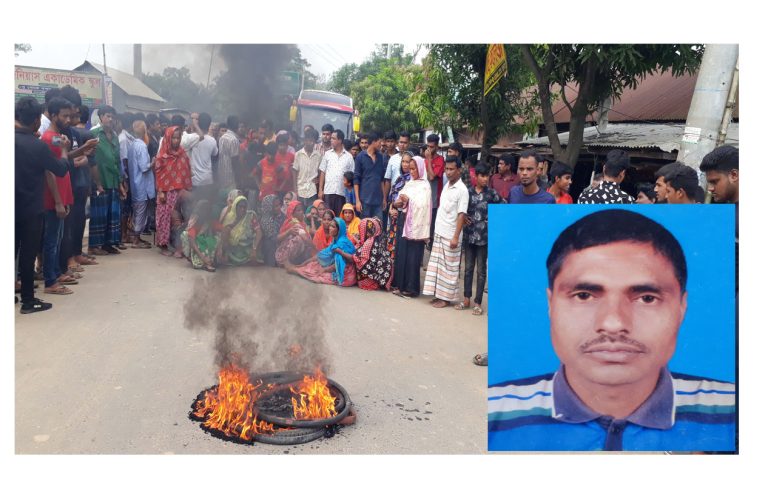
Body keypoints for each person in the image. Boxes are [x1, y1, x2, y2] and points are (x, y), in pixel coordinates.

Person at [488, 209, 735, 451]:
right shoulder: (496, 411)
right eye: (584, 295)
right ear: (550, 304)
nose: (613, 324)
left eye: (647, 298)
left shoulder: (728, 409)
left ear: (682, 308)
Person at [15, 97, 77, 312]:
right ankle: (29, 300)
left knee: (12, 250)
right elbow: (58, 169)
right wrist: (64, 151)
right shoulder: (40, 144)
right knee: (29, 253)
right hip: (33, 207)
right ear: (36, 121)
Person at [456, 161, 505, 315]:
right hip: (469, 236)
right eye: (482, 176)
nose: (485, 179)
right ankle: (466, 298)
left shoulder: (492, 194)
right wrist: (463, 219)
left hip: (484, 237)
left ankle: (478, 303)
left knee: (481, 270)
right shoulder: (468, 192)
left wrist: (493, 219)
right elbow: (460, 210)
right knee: (468, 268)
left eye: (487, 176)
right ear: (475, 176)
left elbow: (503, 205)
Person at [423, 156, 469, 308]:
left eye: (451, 169)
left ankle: (446, 299)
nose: (448, 172)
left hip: (451, 234)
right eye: (446, 169)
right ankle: (438, 296)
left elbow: (461, 214)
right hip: (439, 231)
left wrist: (455, 237)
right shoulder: (447, 185)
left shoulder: (462, 190)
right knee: (438, 268)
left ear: (459, 170)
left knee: (449, 269)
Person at [390, 156, 431, 298]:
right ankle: (399, 285)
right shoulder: (409, 183)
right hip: (404, 221)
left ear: (420, 168)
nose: (411, 171)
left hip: (416, 226)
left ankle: (411, 288)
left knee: (413, 257)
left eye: (414, 168)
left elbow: (424, 206)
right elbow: (396, 201)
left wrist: (409, 201)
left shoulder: (425, 186)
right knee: (401, 254)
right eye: (410, 168)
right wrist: (398, 203)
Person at [88, 105, 125, 256]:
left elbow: (117, 160)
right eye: (108, 116)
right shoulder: (94, 134)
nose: (110, 119)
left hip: (113, 180)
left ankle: (108, 244)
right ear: (101, 117)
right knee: (99, 214)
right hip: (100, 180)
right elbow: (90, 159)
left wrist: (121, 182)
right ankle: (94, 246)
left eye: (112, 117)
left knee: (112, 214)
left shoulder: (115, 136)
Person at [154, 125, 193, 256]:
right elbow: (159, 175)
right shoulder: (162, 156)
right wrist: (160, 192)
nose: (176, 141)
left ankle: (179, 246)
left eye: (178, 138)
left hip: (179, 192)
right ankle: (163, 245)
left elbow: (187, 171)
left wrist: (187, 189)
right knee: (164, 219)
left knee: (179, 220)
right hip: (166, 193)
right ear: (168, 138)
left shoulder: (183, 154)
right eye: (174, 138)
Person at [285, 217, 357, 287]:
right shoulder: (335, 241)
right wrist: (303, 264)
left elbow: (338, 263)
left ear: (339, 230)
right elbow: (321, 255)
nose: (330, 228)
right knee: (314, 264)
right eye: (330, 226)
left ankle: (297, 270)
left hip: (346, 273)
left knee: (317, 274)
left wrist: (324, 270)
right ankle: (298, 269)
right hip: (337, 266)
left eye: (333, 227)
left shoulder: (341, 243)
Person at [126, 120, 155, 248]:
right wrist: (153, 163)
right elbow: (144, 167)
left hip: (135, 183)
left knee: (138, 210)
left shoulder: (132, 144)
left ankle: (137, 237)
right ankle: (136, 239)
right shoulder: (142, 146)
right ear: (144, 131)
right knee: (141, 211)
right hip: (141, 184)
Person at [182, 112, 219, 206]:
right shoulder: (212, 140)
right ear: (209, 125)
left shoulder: (192, 139)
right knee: (204, 209)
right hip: (207, 180)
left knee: (191, 207)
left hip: (194, 181)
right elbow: (215, 153)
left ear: (198, 123)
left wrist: (193, 125)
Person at [317, 129, 355, 217]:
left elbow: (351, 176)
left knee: (339, 218)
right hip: (328, 192)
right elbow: (322, 172)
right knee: (327, 217)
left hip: (342, 193)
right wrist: (320, 190)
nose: (331, 140)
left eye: (333, 138)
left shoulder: (349, 157)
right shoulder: (327, 154)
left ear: (340, 140)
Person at [352, 217, 393, 291]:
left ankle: (370, 282)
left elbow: (361, 260)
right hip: (384, 272)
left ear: (367, 231)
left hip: (377, 276)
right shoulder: (377, 238)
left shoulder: (369, 242)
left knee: (357, 261)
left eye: (362, 229)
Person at [386, 150, 413, 261]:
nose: (405, 164)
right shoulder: (399, 179)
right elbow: (391, 198)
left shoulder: (413, 180)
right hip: (394, 218)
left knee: (401, 251)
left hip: (405, 219)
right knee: (392, 248)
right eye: (403, 162)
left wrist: (401, 205)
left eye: (408, 162)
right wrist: (391, 208)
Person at [353, 131, 387, 219]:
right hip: (364, 201)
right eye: (380, 142)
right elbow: (356, 180)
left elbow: (381, 179)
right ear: (373, 142)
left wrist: (384, 198)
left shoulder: (380, 157)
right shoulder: (360, 157)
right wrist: (357, 201)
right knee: (365, 229)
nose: (381, 144)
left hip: (378, 202)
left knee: (378, 228)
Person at [181, 199, 222, 272]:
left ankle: (211, 261)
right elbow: (192, 241)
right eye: (204, 210)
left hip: (206, 239)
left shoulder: (209, 220)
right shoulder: (194, 221)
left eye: (208, 210)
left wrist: (220, 248)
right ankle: (205, 263)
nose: (206, 212)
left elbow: (220, 229)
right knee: (202, 242)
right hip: (197, 244)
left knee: (216, 238)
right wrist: (203, 257)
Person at [275, 201, 316, 267]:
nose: (302, 212)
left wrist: (312, 218)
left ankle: (296, 262)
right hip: (282, 254)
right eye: (298, 210)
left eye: (302, 210)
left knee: (309, 238)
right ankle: (284, 262)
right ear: (292, 213)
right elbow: (305, 238)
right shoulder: (295, 223)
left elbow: (312, 231)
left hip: (292, 254)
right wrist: (316, 249)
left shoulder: (302, 223)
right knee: (300, 239)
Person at [424, 134, 445, 246]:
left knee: (432, 229)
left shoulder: (440, 160)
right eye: (428, 146)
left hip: (435, 200)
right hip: (424, 199)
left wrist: (429, 159)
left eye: (431, 147)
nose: (429, 149)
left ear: (437, 147)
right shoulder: (424, 159)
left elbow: (432, 177)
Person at [293, 128, 322, 208]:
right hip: (300, 189)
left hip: (312, 190)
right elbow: (294, 172)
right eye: (309, 141)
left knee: (311, 212)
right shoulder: (298, 154)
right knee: (299, 212)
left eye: (313, 141)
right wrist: (295, 190)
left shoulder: (318, 155)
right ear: (305, 140)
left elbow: (320, 172)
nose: (311, 143)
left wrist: (319, 180)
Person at [258, 194, 284, 267]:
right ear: (269, 207)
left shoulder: (282, 216)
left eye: (279, 205)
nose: (279, 208)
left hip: (281, 242)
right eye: (276, 206)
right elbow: (274, 238)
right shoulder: (265, 220)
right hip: (270, 247)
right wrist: (288, 233)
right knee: (270, 243)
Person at [217, 115, 241, 192]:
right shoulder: (234, 140)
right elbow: (235, 161)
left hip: (222, 176)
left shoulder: (222, 138)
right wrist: (238, 179)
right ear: (237, 125)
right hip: (231, 178)